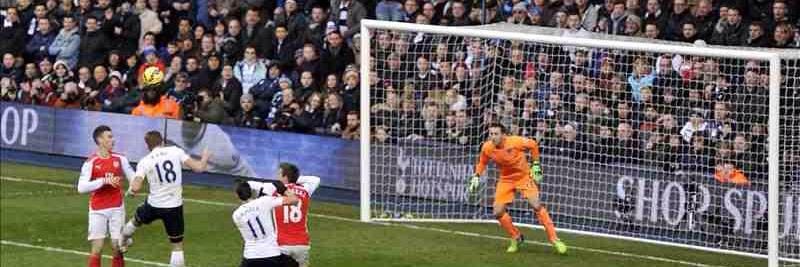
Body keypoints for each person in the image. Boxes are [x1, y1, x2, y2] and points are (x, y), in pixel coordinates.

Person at [469, 123, 567, 254]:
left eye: (496, 134)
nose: (493, 137)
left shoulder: (515, 141)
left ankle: (554, 239)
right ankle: (516, 236)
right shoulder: (487, 147)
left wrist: (536, 164)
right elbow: (482, 162)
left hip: (523, 177)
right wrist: (476, 176)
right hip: (506, 180)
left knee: (536, 205)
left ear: (503, 135)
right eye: (491, 134)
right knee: (497, 212)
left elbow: (533, 144)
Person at [120, 131, 210, 267]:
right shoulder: (175, 151)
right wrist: (205, 157)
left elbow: (136, 186)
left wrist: (131, 191)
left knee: (136, 220)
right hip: (174, 207)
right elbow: (199, 168)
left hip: (153, 205)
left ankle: (122, 240)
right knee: (177, 245)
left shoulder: (145, 161)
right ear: (162, 141)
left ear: (148, 146)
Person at [77, 125, 136, 267]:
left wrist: (132, 189)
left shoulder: (120, 159)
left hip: (117, 208)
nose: (113, 140)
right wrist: (103, 181)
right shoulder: (90, 162)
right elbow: (81, 188)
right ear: (100, 140)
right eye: (109, 137)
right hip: (97, 209)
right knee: (97, 249)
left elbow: (133, 177)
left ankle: (123, 241)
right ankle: (125, 239)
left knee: (117, 248)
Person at [245, 163, 320, 267]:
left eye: (279, 174)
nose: (277, 177)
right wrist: (295, 179)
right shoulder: (306, 190)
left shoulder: (274, 190)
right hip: (302, 244)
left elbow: (252, 185)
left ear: (285, 177)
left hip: (281, 244)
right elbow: (316, 180)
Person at [232, 180, 299, 267]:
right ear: (251, 191)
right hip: (272, 255)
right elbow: (294, 200)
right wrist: (284, 190)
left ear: (237, 195)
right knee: (294, 264)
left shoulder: (236, 215)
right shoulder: (264, 201)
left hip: (250, 257)